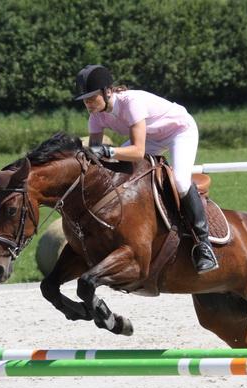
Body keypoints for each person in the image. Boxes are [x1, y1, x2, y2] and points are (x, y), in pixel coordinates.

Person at [74, 64, 218, 274]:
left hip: (179, 132)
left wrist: (108, 151)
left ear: (107, 91)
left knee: (180, 181)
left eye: (91, 97)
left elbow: (137, 152)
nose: (87, 103)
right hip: (150, 137)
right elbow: (96, 156)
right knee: (115, 170)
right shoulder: (96, 116)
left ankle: (204, 245)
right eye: (84, 99)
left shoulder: (131, 103)